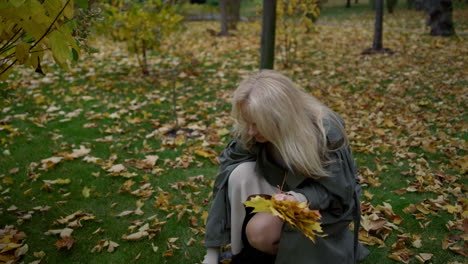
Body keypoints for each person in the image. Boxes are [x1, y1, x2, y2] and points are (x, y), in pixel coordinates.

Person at [203, 70, 369, 264]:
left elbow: (339, 193)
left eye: (256, 124)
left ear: (279, 118)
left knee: (260, 230)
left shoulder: (324, 132)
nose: (250, 130)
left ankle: (278, 249)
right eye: (247, 122)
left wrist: (298, 198)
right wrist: (212, 251)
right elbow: (226, 176)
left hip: (319, 206)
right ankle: (242, 254)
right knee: (238, 174)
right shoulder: (253, 129)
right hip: (280, 190)